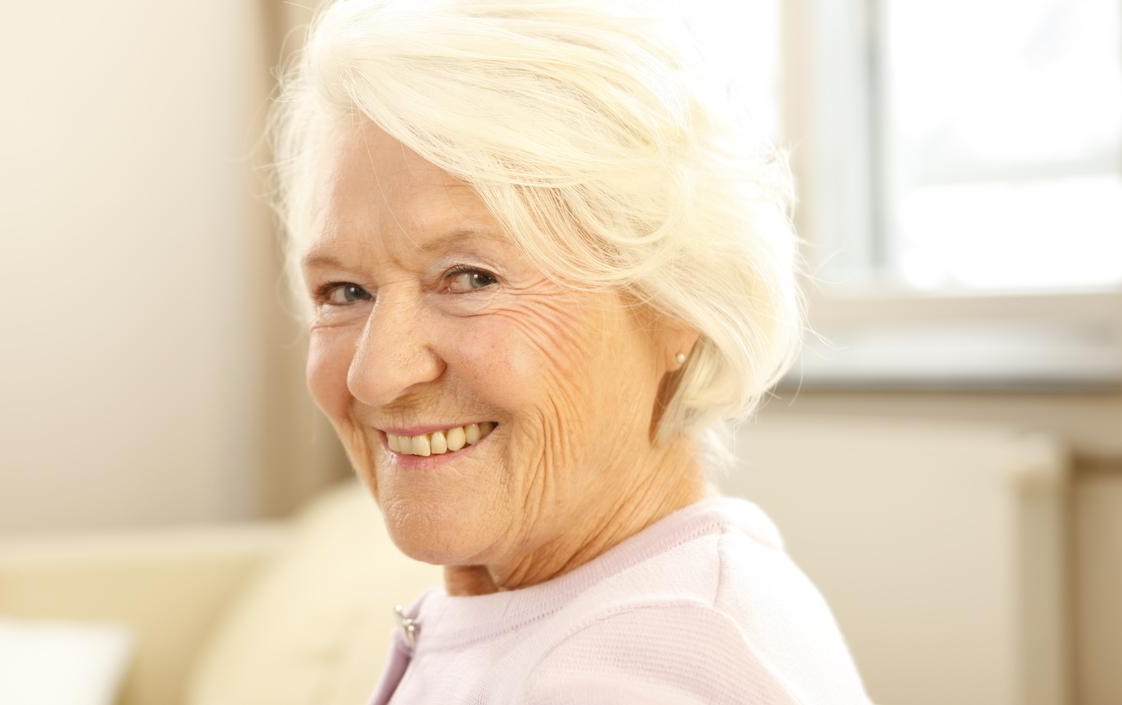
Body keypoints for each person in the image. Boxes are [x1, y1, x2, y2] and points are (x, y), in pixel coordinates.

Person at [266, 1, 873, 702]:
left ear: (676, 303)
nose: (376, 373)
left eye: (471, 278)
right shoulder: (597, 605)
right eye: (345, 291)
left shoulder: (650, 670)